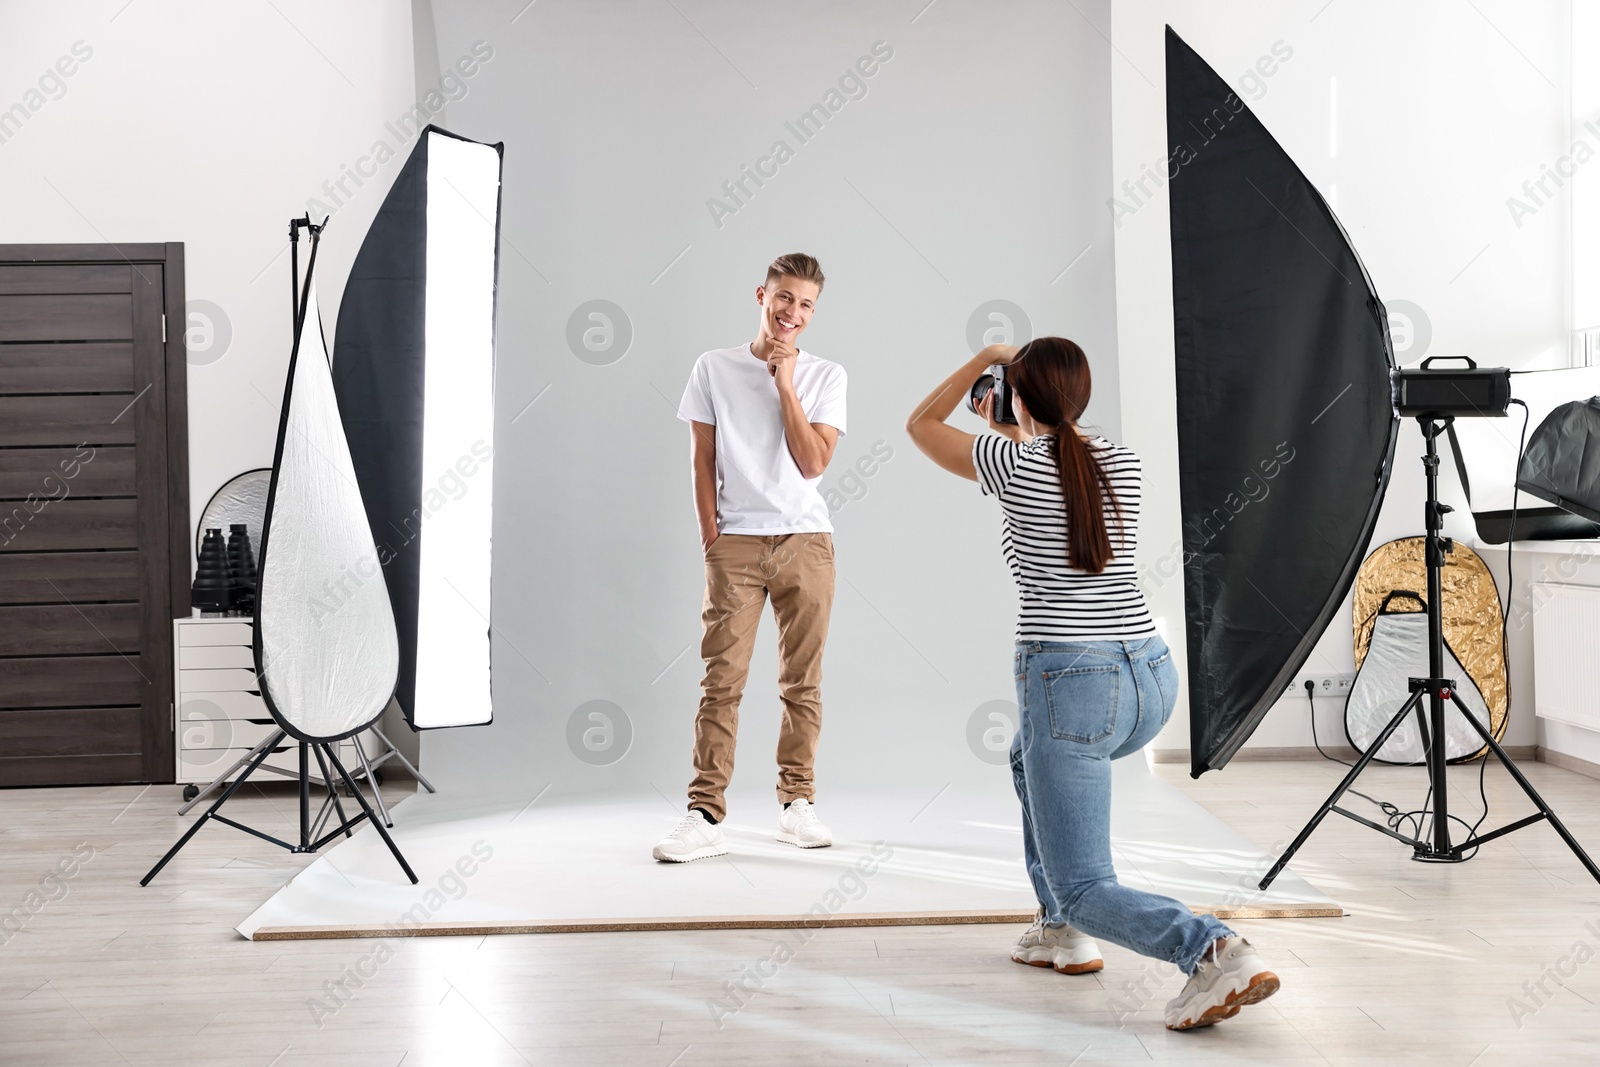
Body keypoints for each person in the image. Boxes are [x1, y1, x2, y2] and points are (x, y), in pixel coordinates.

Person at [904, 337, 1279, 1030]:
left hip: (1074, 686)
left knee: (1086, 886)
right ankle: (1056, 931)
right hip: (1148, 679)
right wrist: (1015, 415)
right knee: (1026, 757)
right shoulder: (1119, 460)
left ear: (1017, 396)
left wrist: (987, 355)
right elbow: (1059, 455)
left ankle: (1211, 949)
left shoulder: (1010, 463)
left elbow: (920, 425)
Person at [653, 253, 847, 863]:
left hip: (806, 544)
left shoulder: (827, 375)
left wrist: (785, 383)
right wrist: (711, 534)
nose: (794, 312)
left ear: (815, 312)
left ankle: (797, 804)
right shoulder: (714, 367)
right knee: (721, 683)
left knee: (802, 683)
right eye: (784, 297)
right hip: (734, 544)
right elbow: (701, 458)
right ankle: (704, 814)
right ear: (762, 295)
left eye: (807, 304)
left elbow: (813, 462)